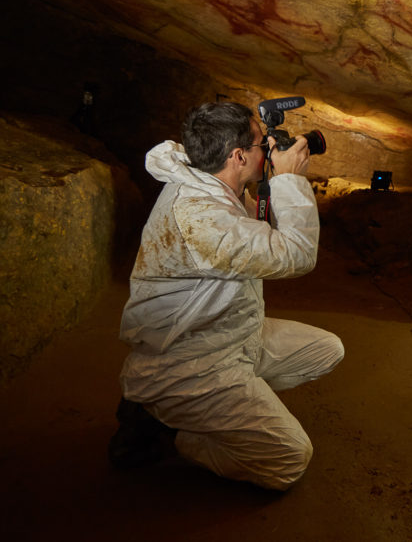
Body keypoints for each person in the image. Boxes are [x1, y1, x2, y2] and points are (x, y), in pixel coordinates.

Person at [108, 101, 344, 490]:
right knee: (289, 460)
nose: (267, 147)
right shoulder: (202, 215)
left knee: (327, 349)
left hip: (229, 332)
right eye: (260, 143)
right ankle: (176, 431)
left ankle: (219, 407)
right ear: (237, 156)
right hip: (190, 359)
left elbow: (260, 231)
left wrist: (271, 177)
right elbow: (297, 255)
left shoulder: (210, 181)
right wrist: (289, 180)